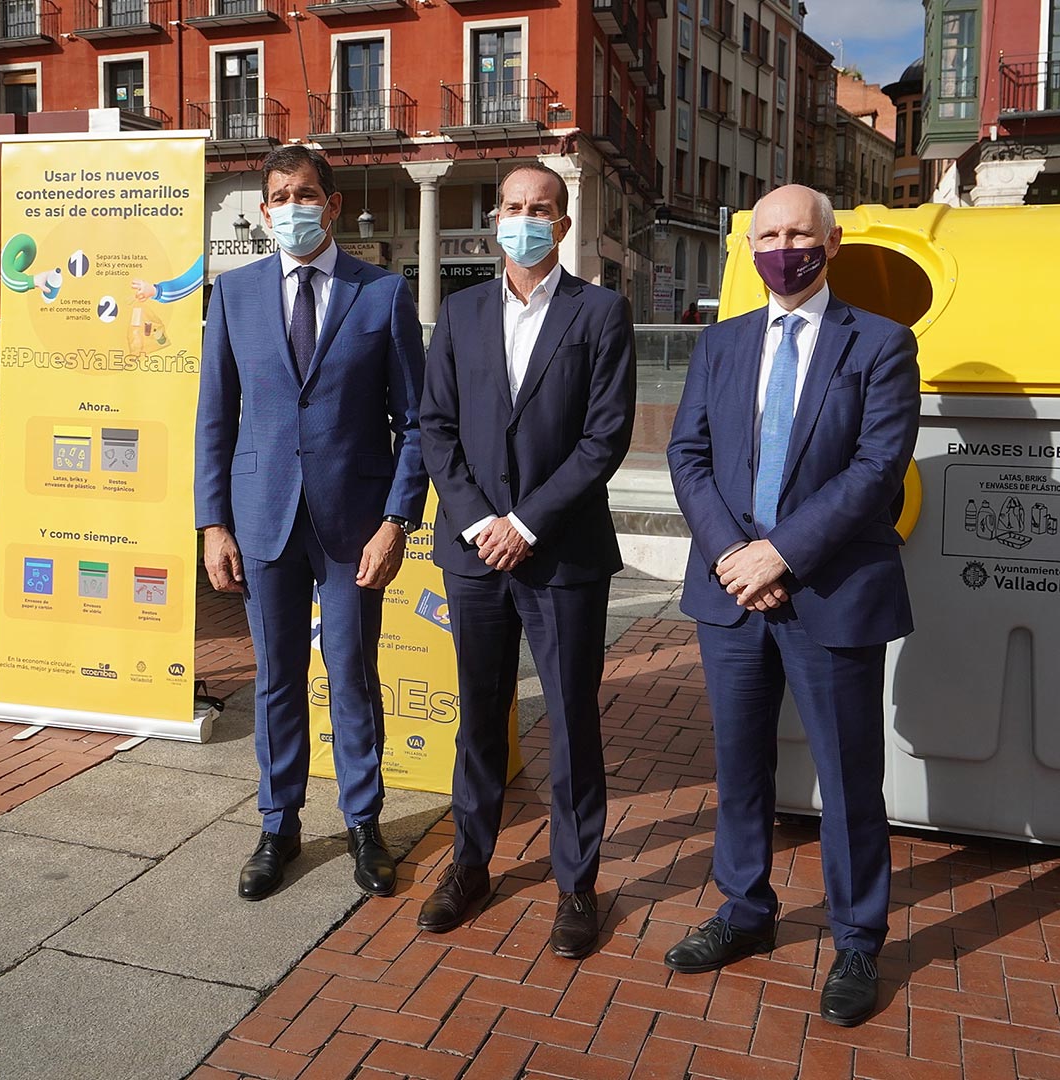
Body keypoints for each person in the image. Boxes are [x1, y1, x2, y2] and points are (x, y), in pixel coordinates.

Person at [664, 184, 920, 1027]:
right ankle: (744, 910)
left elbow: (877, 470)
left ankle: (856, 937)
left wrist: (783, 551)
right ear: (750, 247)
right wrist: (735, 555)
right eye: (767, 234)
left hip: (832, 592)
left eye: (797, 233)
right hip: (732, 590)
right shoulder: (722, 342)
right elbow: (688, 453)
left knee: (849, 776)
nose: (783, 246)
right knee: (739, 767)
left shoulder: (881, 344)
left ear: (831, 242)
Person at [195, 145, 427, 902]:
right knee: (276, 680)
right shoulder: (232, 296)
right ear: (264, 211)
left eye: (303, 193)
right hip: (262, 521)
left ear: (330, 203)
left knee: (353, 675)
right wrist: (212, 524)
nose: (289, 206)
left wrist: (398, 519)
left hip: (353, 525)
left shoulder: (382, 293)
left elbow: (415, 423)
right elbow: (214, 421)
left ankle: (364, 821)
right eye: (276, 196)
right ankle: (279, 824)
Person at [418, 162, 636, 960]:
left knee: (574, 721)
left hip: (561, 553)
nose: (526, 219)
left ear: (563, 222)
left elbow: (603, 439)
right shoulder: (461, 311)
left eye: (541, 208)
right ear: (494, 217)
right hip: (474, 555)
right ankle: (469, 864)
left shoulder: (601, 313)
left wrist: (526, 523)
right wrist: (481, 522)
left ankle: (577, 882)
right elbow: (435, 427)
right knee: (480, 713)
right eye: (513, 207)